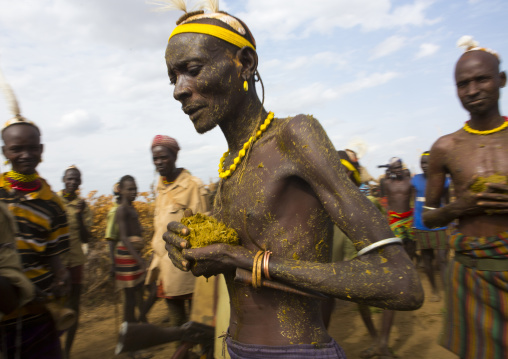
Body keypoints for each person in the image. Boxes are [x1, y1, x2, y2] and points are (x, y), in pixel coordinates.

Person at [161, 3, 423, 358]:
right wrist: (195, 250)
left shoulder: (293, 136)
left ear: (246, 63)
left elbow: (400, 282)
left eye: (192, 70)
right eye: (173, 77)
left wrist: (244, 260)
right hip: (236, 348)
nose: (179, 90)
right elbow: (237, 260)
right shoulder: (228, 167)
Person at [423, 36, 508, 359]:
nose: (472, 90)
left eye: (481, 79)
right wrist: (461, 207)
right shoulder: (445, 147)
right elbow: (430, 215)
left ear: (501, 80)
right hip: (470, 276)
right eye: (463, 84)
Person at [0, 119, 70, 357]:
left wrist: (62, 277)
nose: (25, 154)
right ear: (5, 152)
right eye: (16, 149)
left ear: (41, 150)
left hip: (39, 312)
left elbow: (54, 254)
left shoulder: (53, 203)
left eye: (32, 148)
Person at [144, 135, 209, 326]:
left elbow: (204, 229)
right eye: (155, 159)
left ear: (174, 157)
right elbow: (160, 228)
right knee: (177, 322)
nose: (159, 162)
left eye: (163, 157)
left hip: (188, 268)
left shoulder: (193, 186)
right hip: (165, 267)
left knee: (199, 321)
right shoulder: (160, 187)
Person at [57, 165, 92, 358]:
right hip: (56, 263)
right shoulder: (54, 202)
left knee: (73, 308)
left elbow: (87, 238)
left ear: (80, 183)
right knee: (54, 307)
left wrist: (79, 216)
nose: (72, 182)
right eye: (69, 178)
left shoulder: (83, 206)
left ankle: (67, 352)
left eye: (76, 180)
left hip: (76, 261)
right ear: (63, 179)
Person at [411, 152, 450, 302]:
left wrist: (449, 222)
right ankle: (434, 289)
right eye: (422, 163)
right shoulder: (415, 180)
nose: (425, 166)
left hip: (439, 224)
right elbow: (413, 202)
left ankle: (447, 290)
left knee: (442, 258)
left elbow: (446, 203)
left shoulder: (444, 180)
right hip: (421, 225)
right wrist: (414, 224)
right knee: (427, 258)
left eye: (427, 163)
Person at [115, 175, 145, 323]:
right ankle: (128, 329)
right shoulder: (121, 210)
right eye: (130, 189)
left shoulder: (131, 208)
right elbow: (124, 238)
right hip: (127, 256)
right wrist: (140, 261)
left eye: (135, 189)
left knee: (135, 294)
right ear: (120, 190)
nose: (134, 192)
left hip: (133, 254)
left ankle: (134, 326)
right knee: (130, 297)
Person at [383, 157, 416, 261]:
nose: (398, 170)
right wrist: (386, 218)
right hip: (394, 219)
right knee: (397, 246)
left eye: (400, 167)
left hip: (409, 218)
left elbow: (414, 200)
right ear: (391, 170)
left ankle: (411, 266)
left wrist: (416, 217)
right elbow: (387, 202)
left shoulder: (410, 182)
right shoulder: (387, 183)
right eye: (395, 168)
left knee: (411, 246)